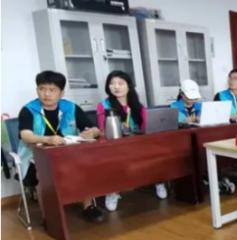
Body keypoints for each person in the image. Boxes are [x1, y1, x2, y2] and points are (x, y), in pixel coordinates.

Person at [17, 70, 104, 223]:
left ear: (61, 93)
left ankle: (88, 206)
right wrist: (47, 139)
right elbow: (25, 135)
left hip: (68, 154)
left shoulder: (70, 107)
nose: (46, 94)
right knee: (43, 174)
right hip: (36, 156)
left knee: (86, 165)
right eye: (42, 89)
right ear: (37, 90)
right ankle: (49, 216)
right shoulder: (29, 109)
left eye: (52, 90)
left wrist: (92, 132)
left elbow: (94, 129)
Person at [98, 71, 168, 211]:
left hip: (137, 143)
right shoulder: (104, 105)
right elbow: (102, 130)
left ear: (128, 86)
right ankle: (112, 191)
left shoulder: (137, 105)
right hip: (115, 146)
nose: (116, 87)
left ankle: (158, 180)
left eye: (120, 83)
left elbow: (146, 127)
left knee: (159, 150)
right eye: (112, 84)